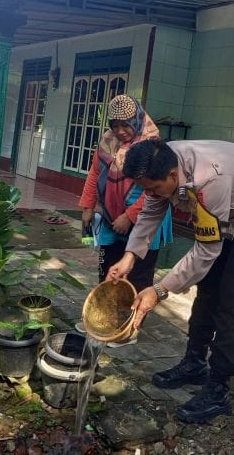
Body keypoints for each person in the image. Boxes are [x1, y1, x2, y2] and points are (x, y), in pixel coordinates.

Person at [106, 139, 234, 423]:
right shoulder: (161, 160)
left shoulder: (209, 179)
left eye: (154, 188)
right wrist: (129, 257)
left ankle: (218, 387)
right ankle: (194, 362)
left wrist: (160, 289)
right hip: (227, 212)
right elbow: (151, 212)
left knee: (233, 299)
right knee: (208, 290)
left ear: (172, 176)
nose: (151, 194)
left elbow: (206, 250)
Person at [77, 94, 172, 347]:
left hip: (145, 215)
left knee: (139, 273)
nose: (120, 131)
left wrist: (130, 216)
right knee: (109, 266)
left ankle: (130, 327)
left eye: (126, 125)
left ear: (137, 120)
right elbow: (95, 172)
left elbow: (154, 191)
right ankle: (104, 318)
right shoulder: (107, 142)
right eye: (115, 125)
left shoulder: (151, 143)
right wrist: (87, 205)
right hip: (111, 212)